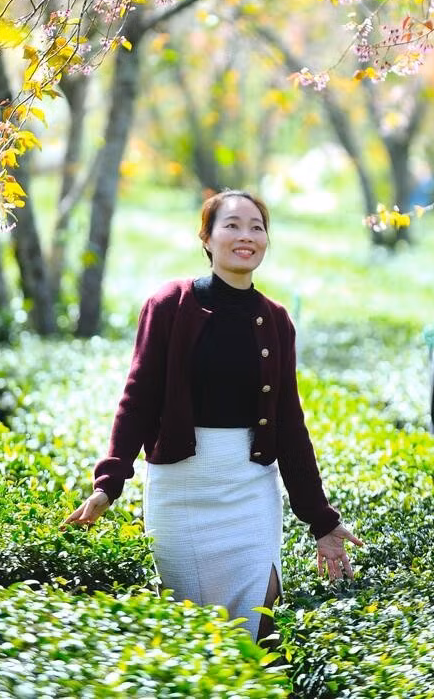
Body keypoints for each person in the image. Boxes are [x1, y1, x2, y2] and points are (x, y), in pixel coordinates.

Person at [63, 189, 362, 641]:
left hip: (249, 489)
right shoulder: (169, 305)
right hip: (183, 488)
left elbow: (289, 424)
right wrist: (110, 483)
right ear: (206, 238)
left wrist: (321, 520)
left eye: (257, 227)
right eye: (232, 225)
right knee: (188, 632)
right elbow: (138, 398)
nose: (246, 236)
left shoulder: (275, 320)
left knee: (260, 625)